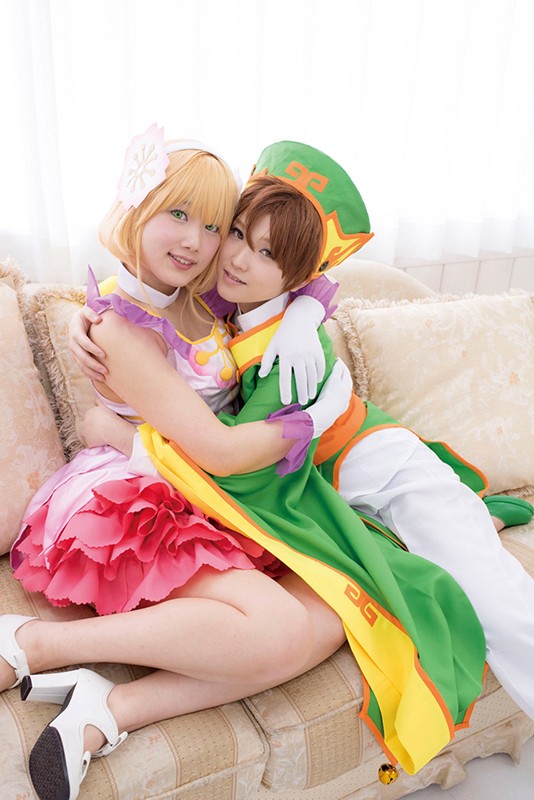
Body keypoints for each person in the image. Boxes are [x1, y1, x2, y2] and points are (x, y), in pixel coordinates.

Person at [6, 140, 496, 800]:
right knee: (283, 629)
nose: (198, 241)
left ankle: (112, 708)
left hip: (206, 491)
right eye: (178, 215)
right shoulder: (118, 328)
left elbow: (300, 271)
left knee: (334, 609)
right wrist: (315, 417)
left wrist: (304, 313)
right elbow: (219, 450)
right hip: (138, 495)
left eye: (214, 225)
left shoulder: (205, 294)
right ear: (138, 207)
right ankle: (41, 645)